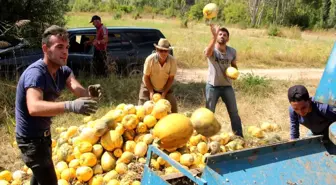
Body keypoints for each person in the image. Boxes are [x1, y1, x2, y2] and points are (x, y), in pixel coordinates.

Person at [15, 25, 102, 185]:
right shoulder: (36, 73)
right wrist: (70, 105)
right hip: (30, 141)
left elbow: (77, 88)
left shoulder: (63, 71)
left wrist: (91, 95)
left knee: (39, 178)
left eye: (67, 47)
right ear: (45, 48)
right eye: (59, 47)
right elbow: (33, 107)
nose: (65, 51)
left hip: (44, 136)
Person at [203, 24, 243, 137]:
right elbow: (207, 53)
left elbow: (234, 66)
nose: (222, 36)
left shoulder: (232, 52)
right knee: (209, 114)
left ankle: (239, 137)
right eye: (220, 34)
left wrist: (235, 73)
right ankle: (206, 137)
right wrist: (213, 36)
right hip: (212, 86)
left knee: (234, 113)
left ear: (228, 39)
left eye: (225, 35)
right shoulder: (212, 50)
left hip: (227, 86)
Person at [288, 85, 336, 154]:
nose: (300, 112)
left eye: (303, 108)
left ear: (309, 101)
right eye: (296, 109)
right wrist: (293, 146)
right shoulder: (292, 111)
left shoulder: (323, 108)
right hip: (316, 134)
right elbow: (294, 131)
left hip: (332, 136)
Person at [138, 38, 178, 113]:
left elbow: (171, 78)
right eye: (161, 50)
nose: (163, 53)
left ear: (168, 51)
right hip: (148, 85)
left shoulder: (172, 61)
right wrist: (151, 91)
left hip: (165, 87)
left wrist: (164, 93)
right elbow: (146, 77)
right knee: (142, 110)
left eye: (165, 51)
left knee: (173, 109)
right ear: (157, 50)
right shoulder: (150, 59)